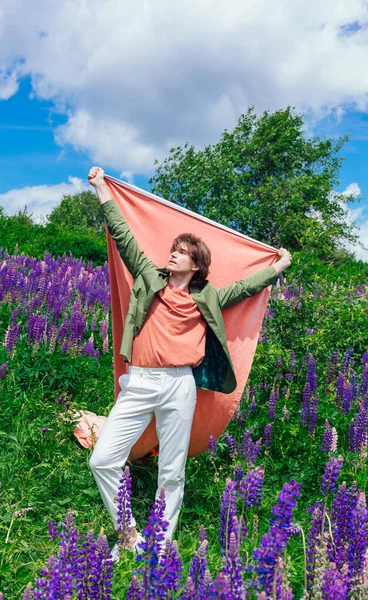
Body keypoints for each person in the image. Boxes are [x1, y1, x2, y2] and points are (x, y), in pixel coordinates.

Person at [87, 165, 291, 555]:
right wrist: (101, 188)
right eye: (173, 249)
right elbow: (123, 235)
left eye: (181, 252)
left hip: (181, 384)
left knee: (172, 470)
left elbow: (247, 286)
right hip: (141, 380)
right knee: (103, 459)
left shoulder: (208, 297)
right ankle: (129, 534)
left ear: (195, 264)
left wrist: (279, 265)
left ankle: (159, 547)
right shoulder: (149, 277)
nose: (173, 254)